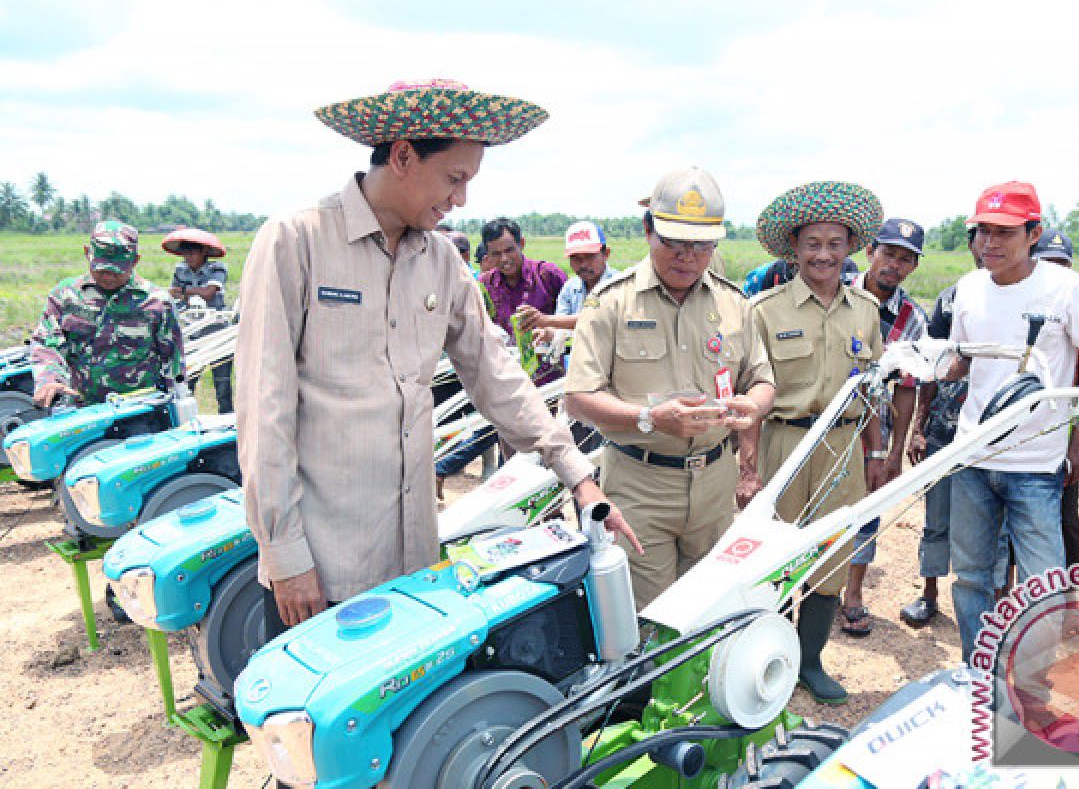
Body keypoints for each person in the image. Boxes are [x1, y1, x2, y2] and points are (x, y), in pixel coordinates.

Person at [235, 79, 636, 639]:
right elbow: (263, 406)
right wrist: (283, 553)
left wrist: (576, 476)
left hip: (413, 559)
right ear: (402, 156)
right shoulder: (296, 241)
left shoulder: (441, 261)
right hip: (323, 566)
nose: (461, 199)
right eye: (454, 178)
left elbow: (494, 373)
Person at [566, 166, 775, 610]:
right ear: (648, 231)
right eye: (674, 242)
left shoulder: (733, 303)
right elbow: (579, 397)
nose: (687, 257)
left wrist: (752, 407)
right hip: (640, 484)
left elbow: (761, 380)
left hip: (715, 482)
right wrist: (647, 417)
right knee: (648, 615)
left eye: (701, 246)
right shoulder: (610, 303)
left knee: (707, 608)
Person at [946, 181, 1079, 660]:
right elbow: (960, 362)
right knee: (974, 575)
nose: (990, 244)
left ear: (1034, 233)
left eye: (1004, 232)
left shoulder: (1065, 288)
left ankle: (1037, 678)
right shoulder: (968, 288)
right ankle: (977, 668)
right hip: (973, 454)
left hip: (1036, 465)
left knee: (1043, 583)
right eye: (982, 232)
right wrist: (930, 364)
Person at [738, 181, 887, 704]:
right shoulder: (763, 310)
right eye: (812, 244)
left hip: (842, 450)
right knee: (773, 557)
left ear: (849, 248)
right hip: (784, 444)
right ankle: (766, 657)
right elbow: (749, 396)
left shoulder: (866, 311)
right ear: (794, 249)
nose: (824, 254)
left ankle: (810, 661)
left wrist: (876, 453)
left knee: (831, 557)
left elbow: (871, 389)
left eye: (834, 243)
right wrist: (748, 469)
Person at [840, 218, 928, 636]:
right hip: (825, 420)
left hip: (875, 426)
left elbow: (907, 387)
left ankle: (852, 593)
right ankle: (797, 588)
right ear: (871, 251)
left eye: (906, 259)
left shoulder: (911, 318)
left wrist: (895, 451)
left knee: (867, 507)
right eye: (889, 253)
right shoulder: (836, 288)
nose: (894, 265)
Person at [901, 228, 983, 627]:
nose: (988, 246)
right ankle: (929, 594)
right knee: (937, 517)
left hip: (994, 432)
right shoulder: (953, 296)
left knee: (992, 529)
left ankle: (992, 608)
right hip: (945, 427)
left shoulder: (1026, 298)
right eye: (980, 238)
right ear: (971, 245)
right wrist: (919, 424)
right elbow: (931, 364)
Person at [30, 220, 185, 408]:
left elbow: (174, 363)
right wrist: (49, 379)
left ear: (135, 261)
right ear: (87, 254)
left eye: (118, 271)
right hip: (80, 411)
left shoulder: (158, 303)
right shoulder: (65, 296)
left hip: (139, 413)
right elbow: (46, 343)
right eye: (102, 269)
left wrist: (176, 405)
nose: (108, 277)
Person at [1031, 229, 1079, 567]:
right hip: (1014, 437)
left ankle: (1068, 600)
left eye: (1063, 265)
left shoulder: (1078, 318)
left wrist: (1077, 445)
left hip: (1059, 440)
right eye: (1047, 264)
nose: (1056, 272)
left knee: (1065, 521)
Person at [165, 227, 233, 413]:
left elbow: (209, 293)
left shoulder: (217, 269)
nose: (188, 256)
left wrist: (185, 292)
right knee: (187, 383)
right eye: (185, 251)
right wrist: (181, 294)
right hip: (191, 333)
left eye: (193, 251)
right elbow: (173, 294)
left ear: (204, 252)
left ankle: (227, 423)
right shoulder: (180, 270)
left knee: (222, 385)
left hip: (216, 332)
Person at [522, 220, 619, 335]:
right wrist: (547, 334)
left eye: (589, 256)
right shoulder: (570, 287)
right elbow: (562, 327)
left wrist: (546, 320)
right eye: (575, 258)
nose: (583, 264)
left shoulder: (618, 285)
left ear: (606, 254)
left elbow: (597, 320)